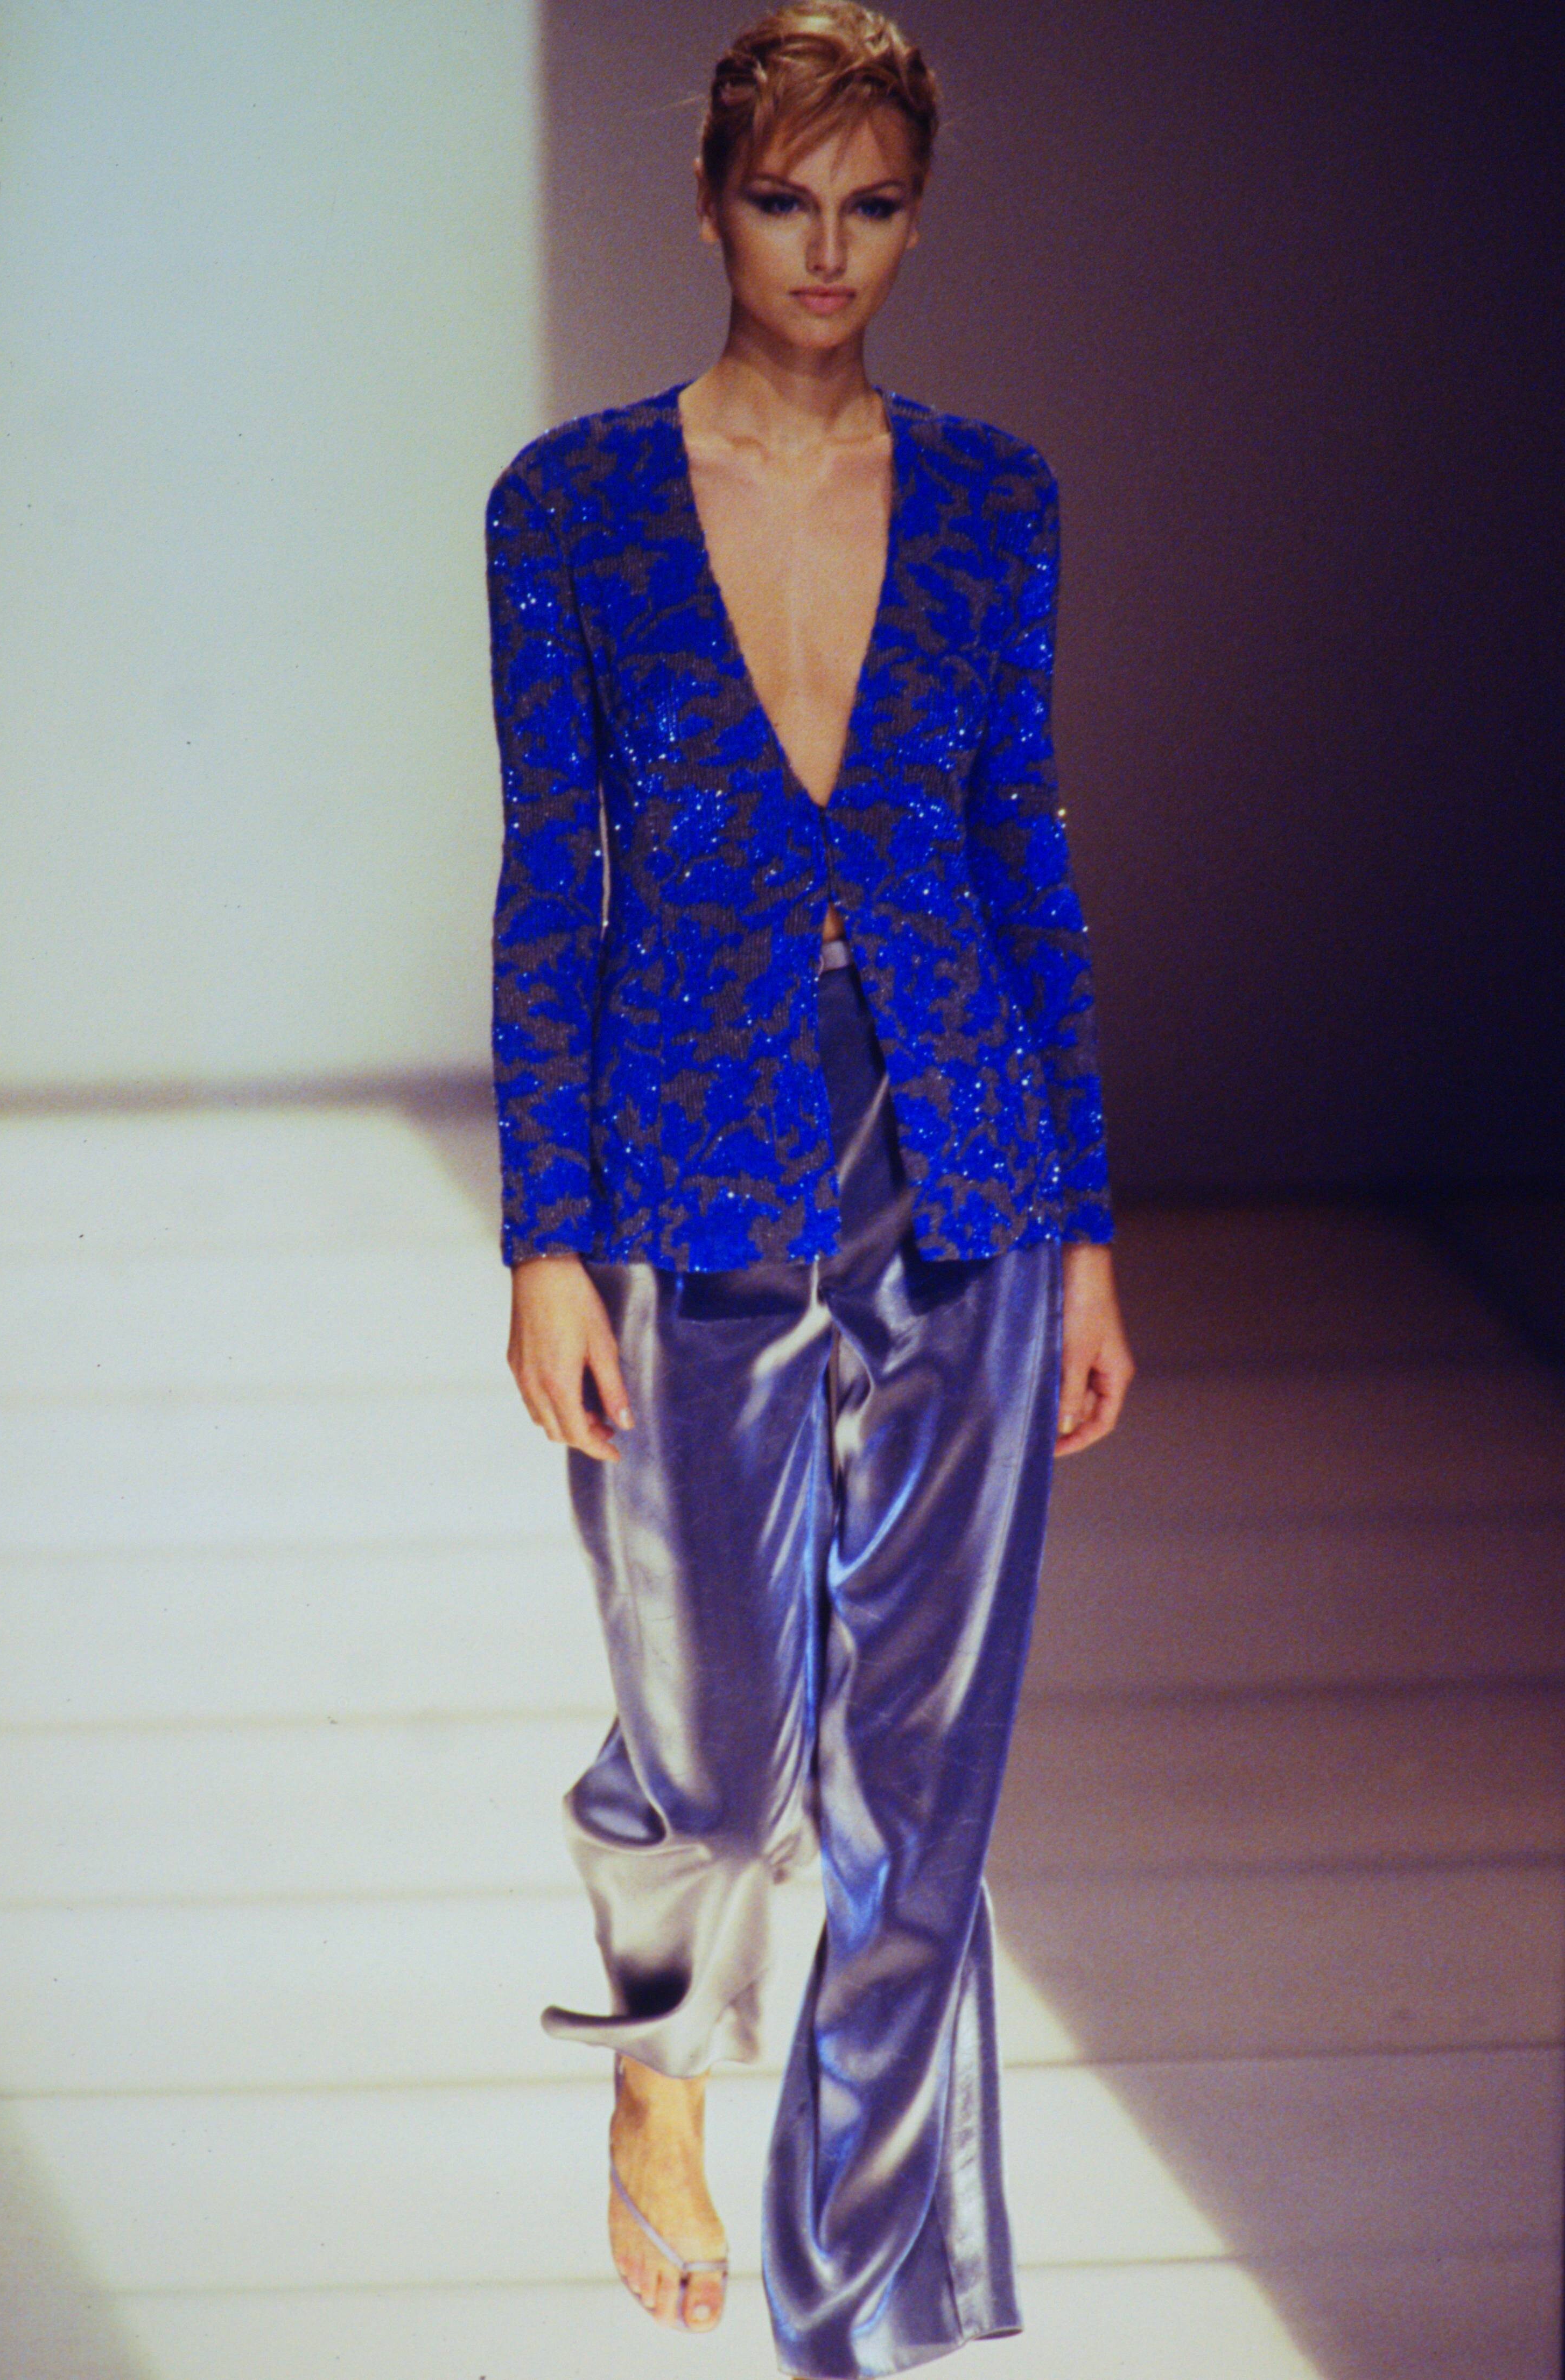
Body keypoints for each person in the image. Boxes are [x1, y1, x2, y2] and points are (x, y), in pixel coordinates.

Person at [483, 7, 1133, 2371]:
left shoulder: (992, 496)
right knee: (722, 1744)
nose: (827, 251)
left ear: (915, 216)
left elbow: (1019, 854)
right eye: (785, 200)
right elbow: (552, 870)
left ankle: (852, 2320)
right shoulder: (567, 505)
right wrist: (544, 1230)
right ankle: (662, 2043)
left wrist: (1081, 1227)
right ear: (709, 204)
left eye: (871, 206)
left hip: (963, 1159)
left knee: (917, 1802)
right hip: (686, 1168)